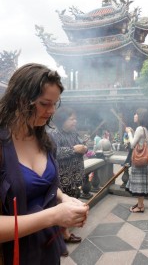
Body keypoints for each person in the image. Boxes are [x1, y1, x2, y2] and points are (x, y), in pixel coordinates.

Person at [0, 63, 89, 265]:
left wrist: (64, 198)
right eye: (44, 103)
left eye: (55, 104)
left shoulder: (45, 140)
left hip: (47, 251)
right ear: (21, 100)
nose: (51, 111)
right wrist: (53, 216)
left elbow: (45, 184)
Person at [50, 106, 88, 247]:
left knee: (72, 202)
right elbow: (53, 153)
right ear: (62, 120)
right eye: (72, 119)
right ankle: (63, 236)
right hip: (62, 178)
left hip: (75, 177)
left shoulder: (74, 133)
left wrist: (84, 148)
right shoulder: (53, 135)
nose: (75, 121)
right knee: (62, 205)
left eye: (75, 118)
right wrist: (73, 149)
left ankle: (63, 232)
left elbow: (83, 146)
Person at [125, 108, 148, 213]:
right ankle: (141, 203)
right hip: (143, 160)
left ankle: (140, 207)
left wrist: (129, 133)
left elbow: (132, 144)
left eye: (136, 114)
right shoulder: (144, 129)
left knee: (139, 183)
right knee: (141, 182)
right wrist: (132, 131)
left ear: (140, 116)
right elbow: (140, 141)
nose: (134, 115)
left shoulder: (140, 129)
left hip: (138, 160)